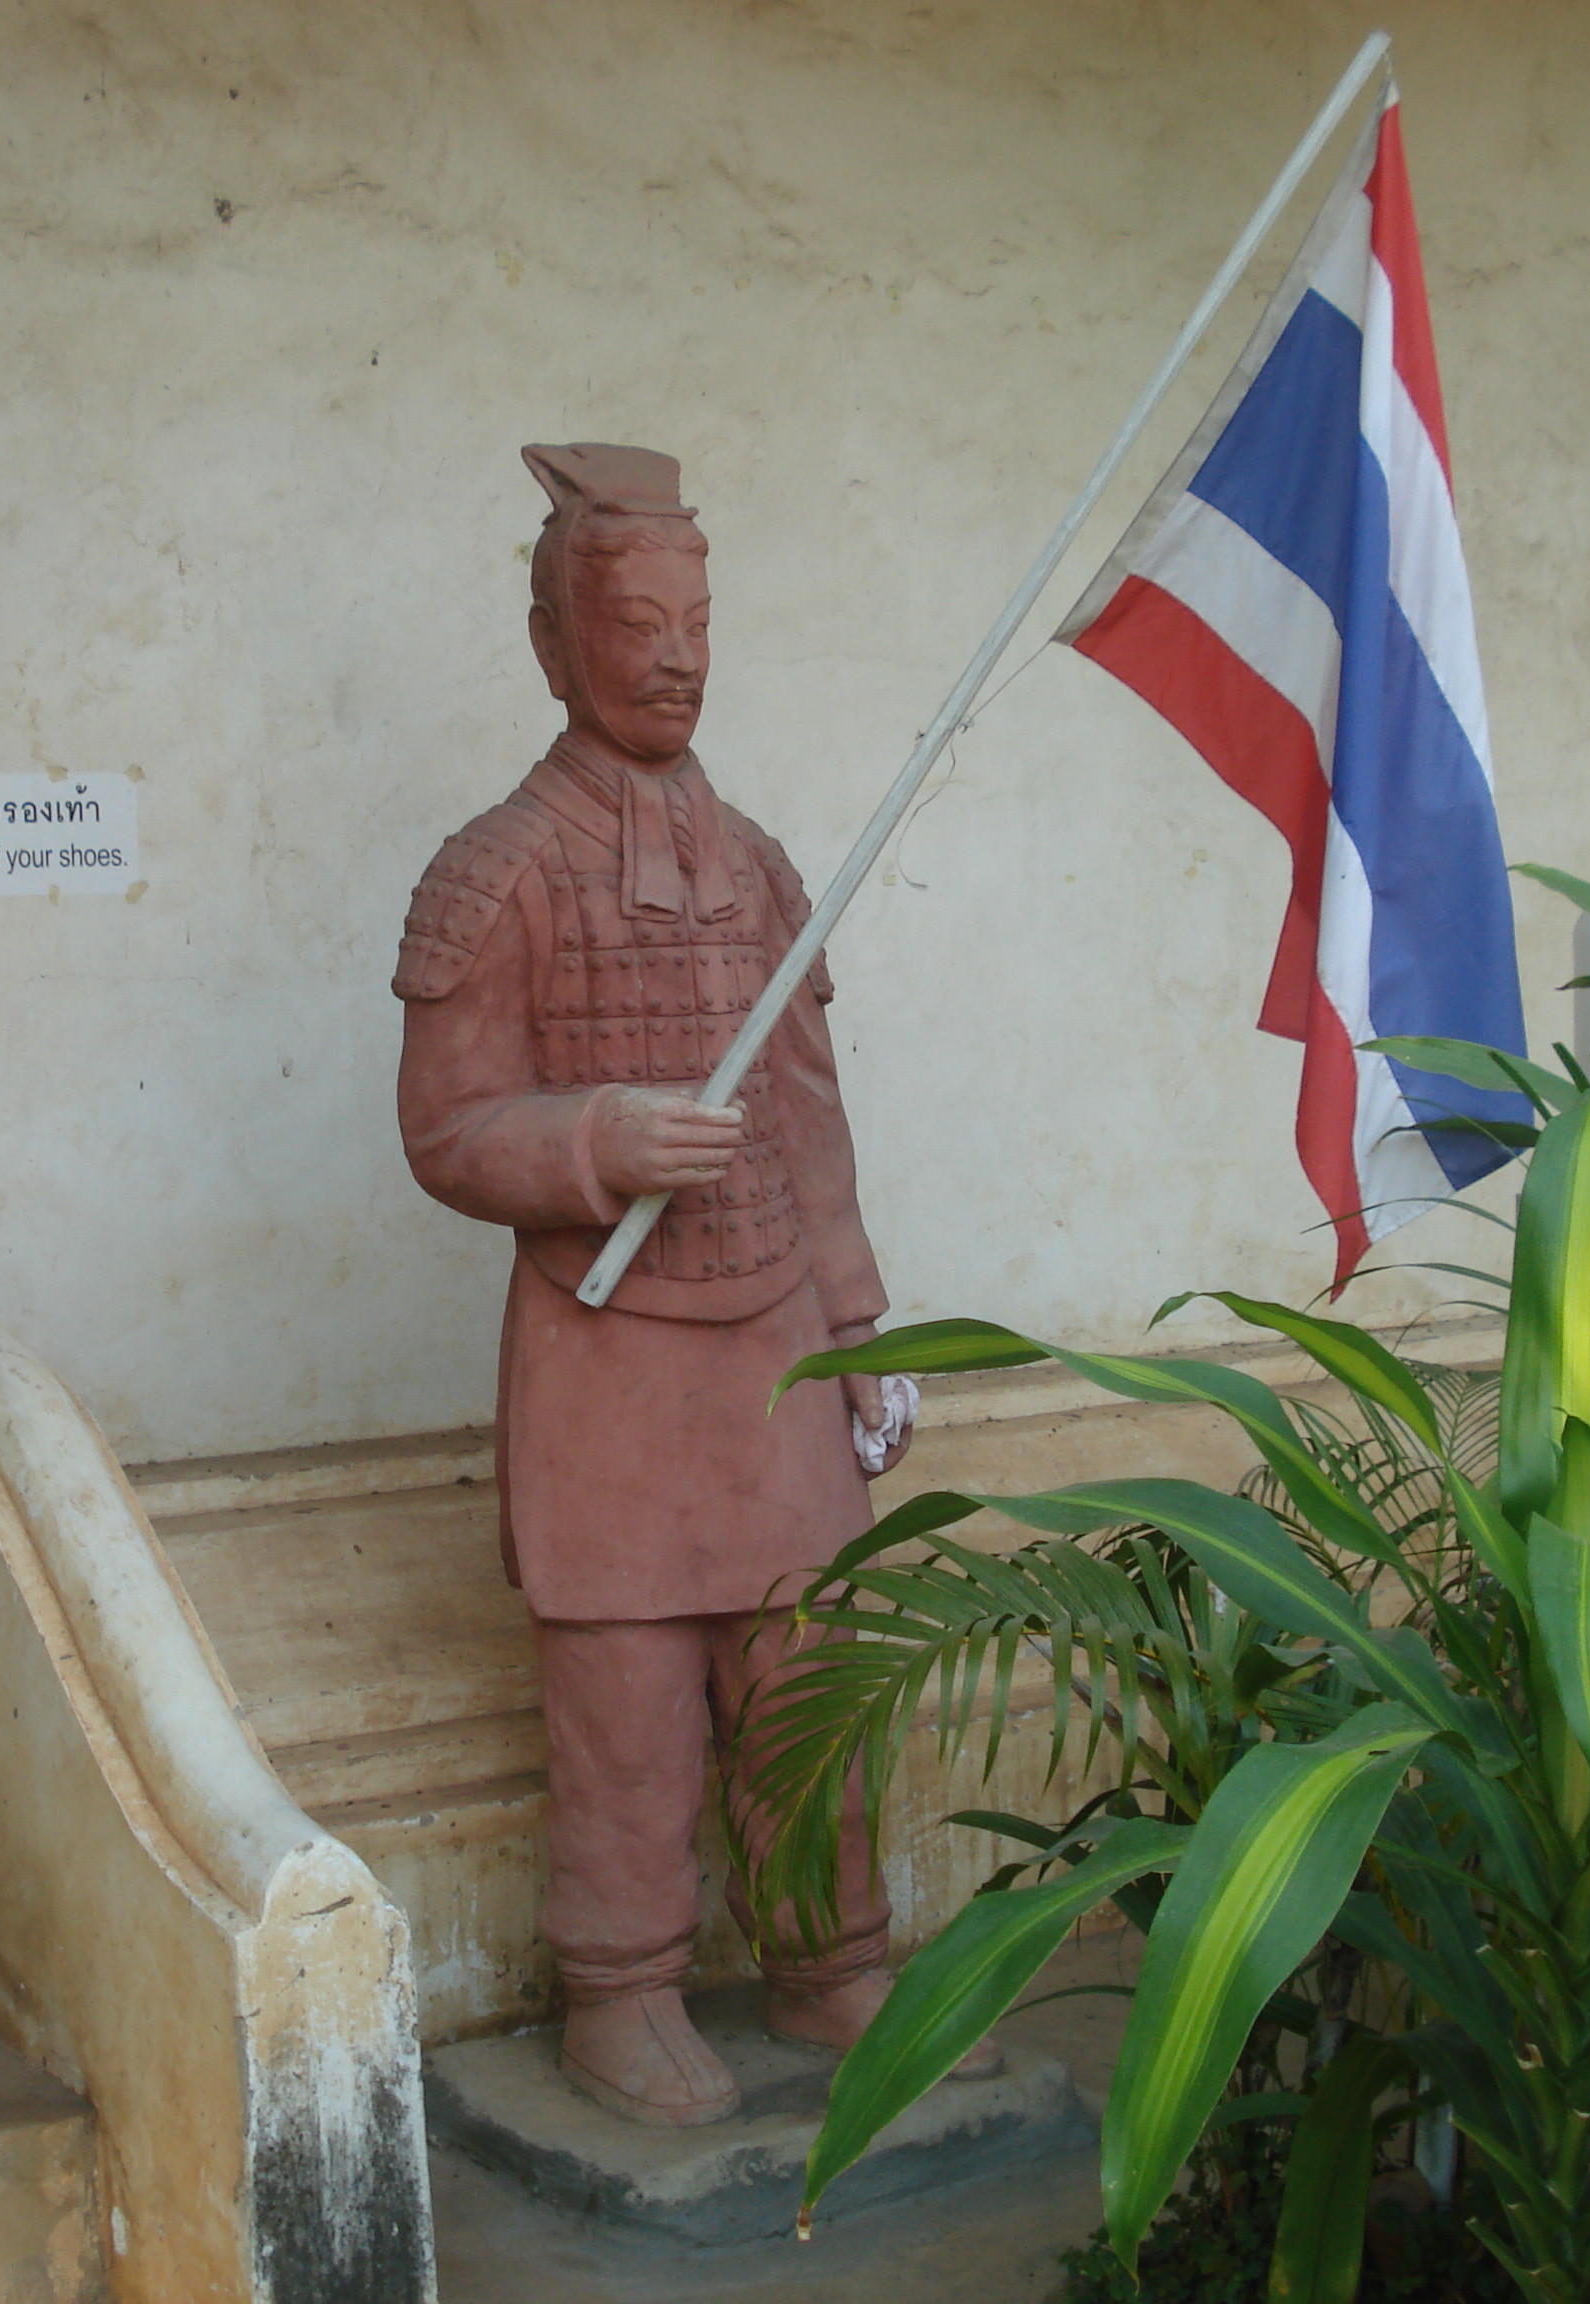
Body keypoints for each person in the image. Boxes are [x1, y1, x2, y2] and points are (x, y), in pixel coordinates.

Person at [392, 442, 994, 2126]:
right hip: (607, 1361)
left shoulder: (765, 868)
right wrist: (594, 1140)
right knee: (628, 1691)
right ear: (552, 641)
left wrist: (864, 1331)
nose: (673, 654)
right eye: (634, 620)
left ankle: (830, 1962)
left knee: (809, 1661)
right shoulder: (499, 871)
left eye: (695, 619)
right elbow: (445, 1130)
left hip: (777, 1346)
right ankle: (624, 1986)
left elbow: (806, 1116)